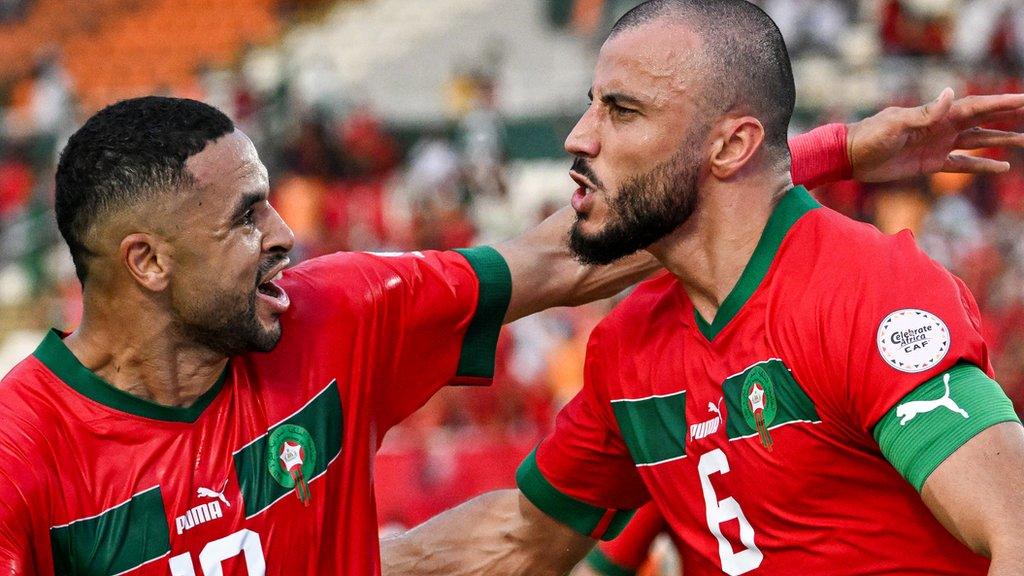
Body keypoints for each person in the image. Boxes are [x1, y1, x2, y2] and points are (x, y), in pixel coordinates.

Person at [0, 90, 1016, 575]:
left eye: (270, 200)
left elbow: (566, 258)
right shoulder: (22, 455)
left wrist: (818, 154)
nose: (286, 235)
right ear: (145, 263)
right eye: (244, 219)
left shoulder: (335, 312)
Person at [380, 2, 1024, 575]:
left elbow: (1017, 532)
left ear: (732, 146)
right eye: (590, 103)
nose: (579, 137)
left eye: (622, 111)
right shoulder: (627, 351)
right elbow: (517, 539)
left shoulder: (864, 288)